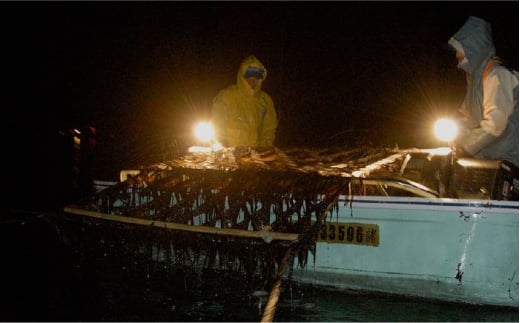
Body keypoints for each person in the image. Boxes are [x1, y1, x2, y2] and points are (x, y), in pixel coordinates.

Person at [448, 16, 518, 167]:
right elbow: (467, 115)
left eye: (460, 50)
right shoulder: (474, 80)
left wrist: (466, 147)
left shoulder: (497, 74)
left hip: (511, 159)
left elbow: (495, 123)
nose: (457, 56)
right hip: (491, 160)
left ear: (473, 48)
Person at [211, 55, 278, 150]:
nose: (253, 81)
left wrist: (264, 148)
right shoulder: (226, 96)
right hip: (230, 154)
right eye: (249, 77)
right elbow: (217, 124)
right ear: (242, 77)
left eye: (257, 78)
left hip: (255, 156)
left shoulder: (265, 100)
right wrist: (223, 149)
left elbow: (269, 128)